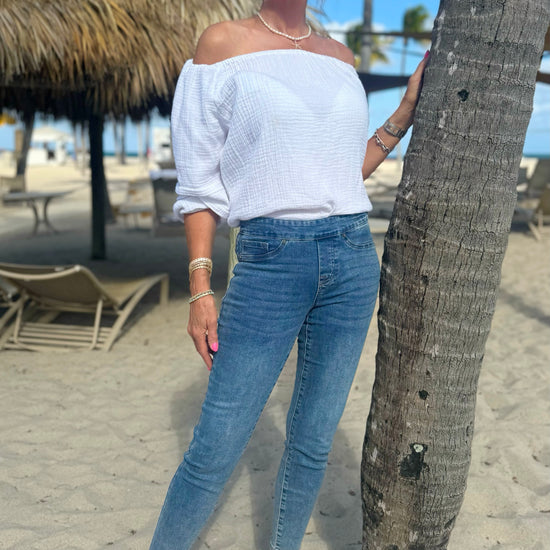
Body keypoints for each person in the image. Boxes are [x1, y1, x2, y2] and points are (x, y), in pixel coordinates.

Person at [150, 1, 427, 548]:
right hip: (270, 260)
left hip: (352, 255)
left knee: (312, 443)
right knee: (216, 446)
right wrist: (200, 288)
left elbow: (342, 170)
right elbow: (199, 184)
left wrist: (404, 112)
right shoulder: (221, 44)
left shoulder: (340, 57)